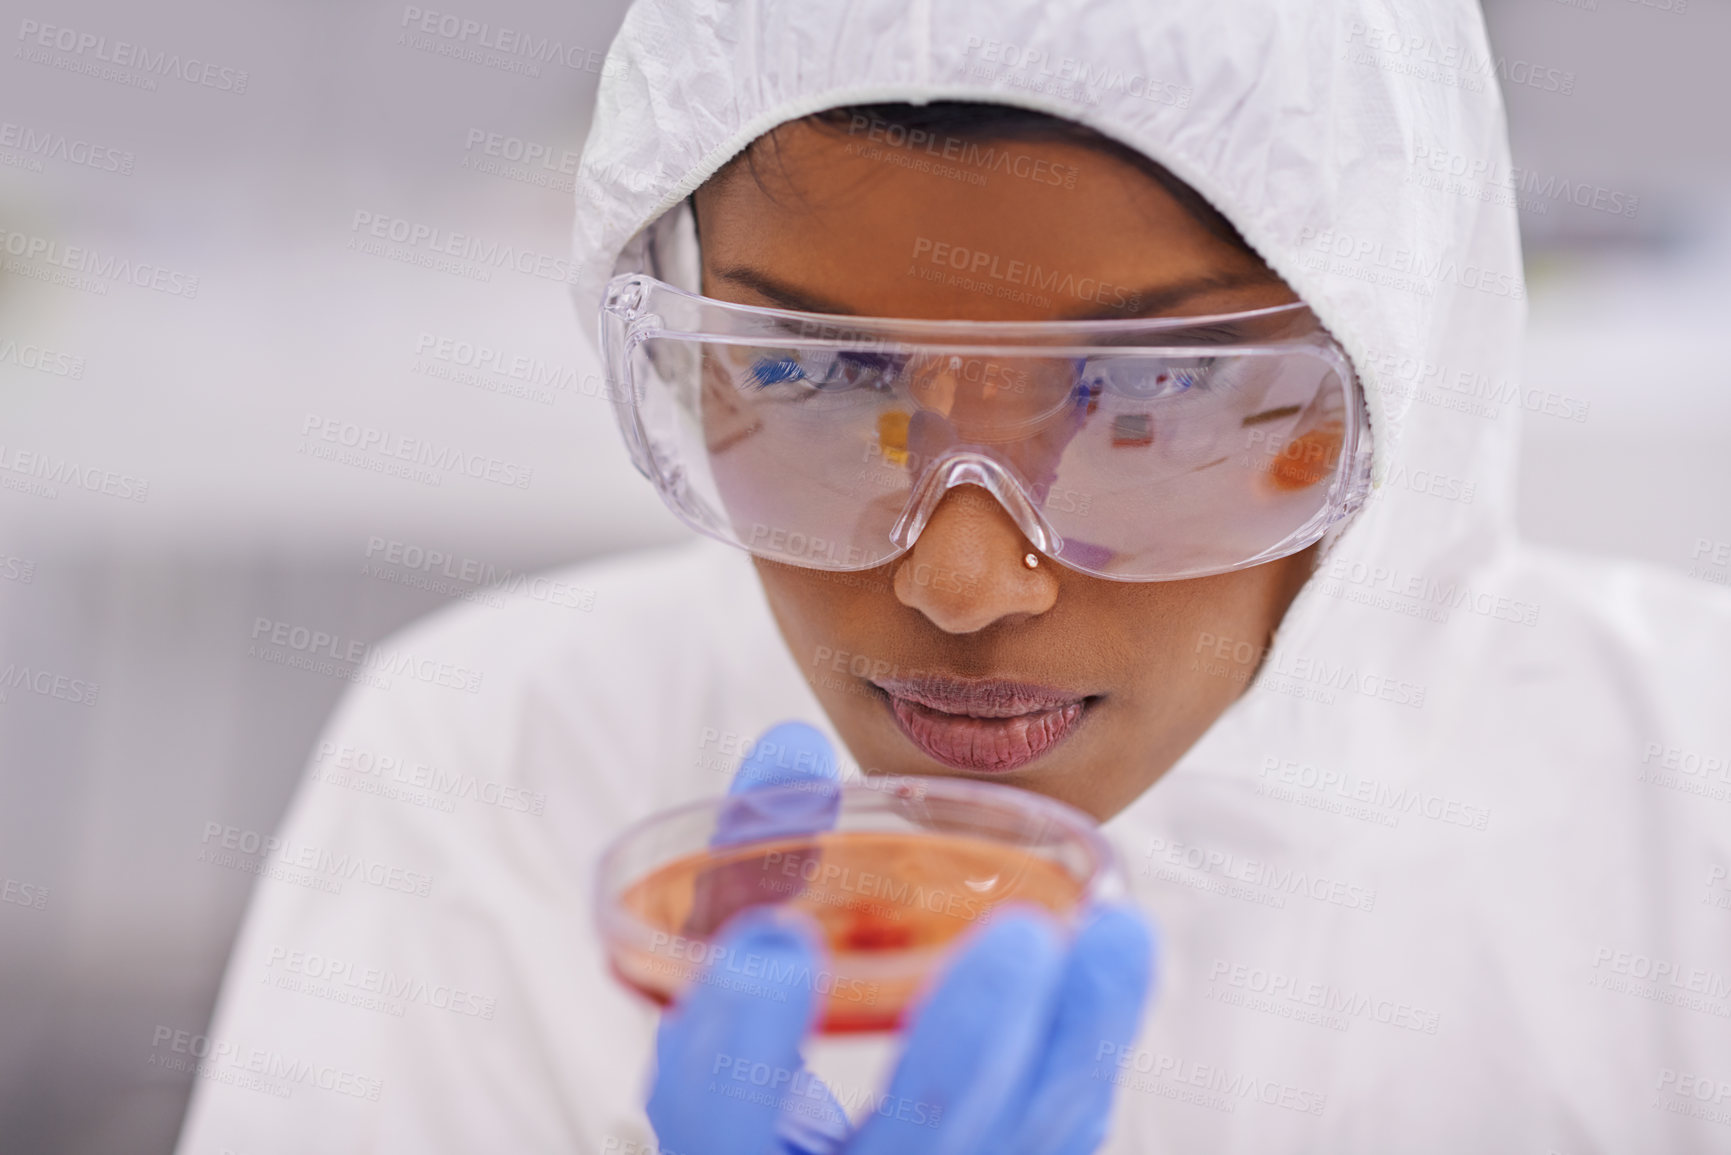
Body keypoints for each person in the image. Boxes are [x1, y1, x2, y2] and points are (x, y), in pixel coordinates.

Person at [177, 0, 1731, 1151]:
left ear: (1405, 381)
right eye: (814, 374)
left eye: (1155, 393)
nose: (966, 581)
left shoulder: (1688, 802)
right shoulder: (504, 765)